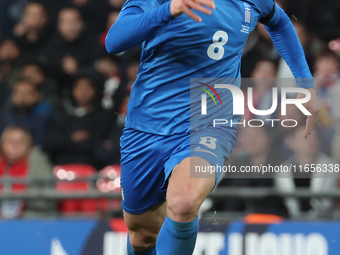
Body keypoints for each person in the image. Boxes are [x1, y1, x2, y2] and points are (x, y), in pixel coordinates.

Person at [105, 0, 319, 254]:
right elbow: (114, 41)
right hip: (147, 128)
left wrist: (305, 83)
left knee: (184, 202)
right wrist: (168, 10)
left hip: (209, 122)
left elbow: (280, 21)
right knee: (142, 236)